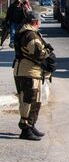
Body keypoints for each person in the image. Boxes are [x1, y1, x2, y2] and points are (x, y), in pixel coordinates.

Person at [13, 11, 54, 141]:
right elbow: (38, 53)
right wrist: (48, 51)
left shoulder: (26, 32)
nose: (39, 23)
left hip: (29, 72)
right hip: (28, 72)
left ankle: (30, 125)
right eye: (39, 21)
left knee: (34, 100)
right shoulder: (30, 35)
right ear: (35, 22)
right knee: (28, 101)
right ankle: (25, 129)